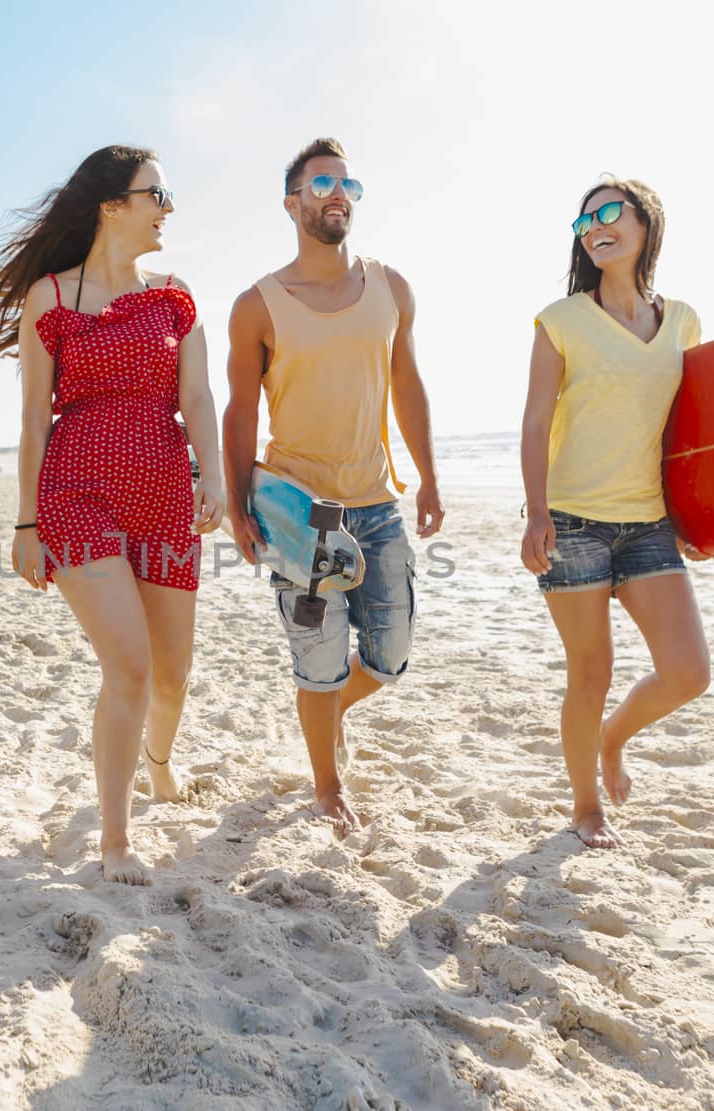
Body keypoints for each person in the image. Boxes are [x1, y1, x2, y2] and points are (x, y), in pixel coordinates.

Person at [0, 146, 224, 885]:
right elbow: (31, 418)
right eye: (158, 193)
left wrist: (211, 473)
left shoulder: (175, 296)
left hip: (163, 494)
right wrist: (25, 524)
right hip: (76, 493)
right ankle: (115, 842)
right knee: (130, 664)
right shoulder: (50, 298)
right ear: (112, 203)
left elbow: (199, 397)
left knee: (172, 676)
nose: (168, 208)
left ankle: (159, 762)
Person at [223, 138, 443, 837]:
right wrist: (236, 501)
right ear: (293, 202)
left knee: (391, 652)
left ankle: (331, 716)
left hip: (377, 507)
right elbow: (239, 408)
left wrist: (430, 474)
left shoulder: (390, 288)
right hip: (299, 515)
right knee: (317, 660)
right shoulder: (258, 303)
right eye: (322, 182)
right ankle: (326, 782)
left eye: (348, 183)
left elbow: (407, 384)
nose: (338, 192)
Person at [518, 176, 713, 850]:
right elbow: (537, 420)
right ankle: (585, 806)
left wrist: (701, 517)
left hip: (650, 522)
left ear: (645, 222)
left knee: (689, 672)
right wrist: (536, 512)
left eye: (609, 213)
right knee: (590, 671)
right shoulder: (562, 320)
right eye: (584, 220)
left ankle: (612, 737)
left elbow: (695, 435)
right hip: (571, 521)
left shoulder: (683, 321)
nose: (595, 226)